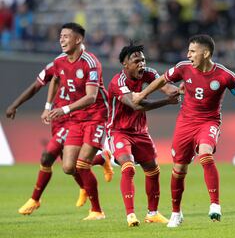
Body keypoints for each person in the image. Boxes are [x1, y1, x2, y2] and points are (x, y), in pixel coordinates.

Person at [132, 34, 235, 228]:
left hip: (209, 122)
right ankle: (176, 213)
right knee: (179, 170)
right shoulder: (183, 68)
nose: (188, 55)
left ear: (206, 53)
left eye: (193, 51)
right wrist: (143, 94)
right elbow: (162, 80)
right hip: (185, 123)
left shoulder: (225, 75)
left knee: (205, 153)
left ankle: (215, 204)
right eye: (188, 51)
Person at [5, 60, 113, 215]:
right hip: (58, 118)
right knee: (68, 166)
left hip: (73, 117)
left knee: (47, 155)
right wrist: (43, 107)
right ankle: (99, 162)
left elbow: (92, 94)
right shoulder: (57, 65)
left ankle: (35, 199)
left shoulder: (85, 65)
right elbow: (40, 84)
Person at [107, 42, 180, 227]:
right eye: (136, 60)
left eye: (143, 60)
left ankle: (152, 214)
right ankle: (131, 215)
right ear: (125, 64)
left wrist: (181, 89)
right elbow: (136, 105)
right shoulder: (118, 82)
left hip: (140, 132)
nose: (142, 64)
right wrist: (166, 101)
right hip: (119, 131)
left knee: (153, 171)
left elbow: (168, 87)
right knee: (129, 166)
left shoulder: (149, 73)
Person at [44, 22, 108, 220]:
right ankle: (102, 159)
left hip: (96, 116)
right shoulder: (60, 61)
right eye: (60, 36)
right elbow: (54, 79)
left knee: (81, 165)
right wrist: (48, 106)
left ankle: (97, 211)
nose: (61, 39)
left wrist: (63, 109)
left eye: (66, 36)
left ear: (78, 39)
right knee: (68, 167)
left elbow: (91, 96)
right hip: (77, 118)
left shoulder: (90, 62)